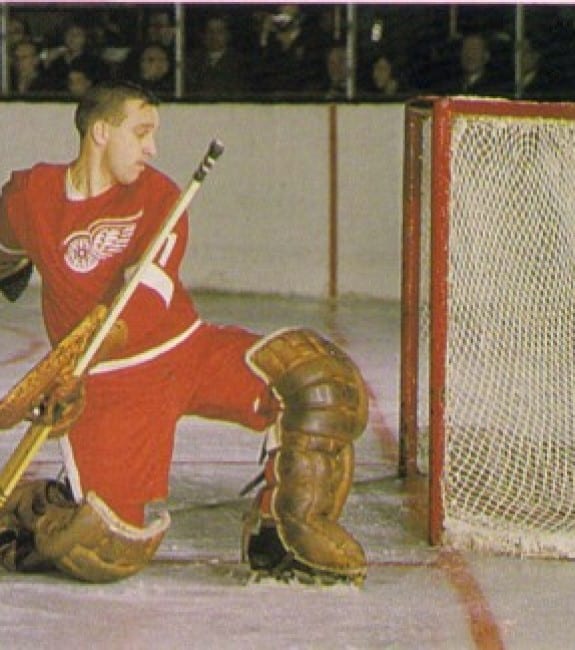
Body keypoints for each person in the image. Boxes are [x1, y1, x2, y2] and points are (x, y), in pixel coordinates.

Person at [0, 81, 368, 584]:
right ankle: (30, 512)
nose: (153, 148)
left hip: (185, 349)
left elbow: (143, 306)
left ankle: (283, 534)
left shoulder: (160, 195)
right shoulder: (32, 196)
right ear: (101, 132)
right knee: (108, 549)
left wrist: (62, 367)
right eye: (142, 132)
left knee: (319, 383)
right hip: (111, 390)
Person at [186, 14, 246, 98]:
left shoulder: (240, 62)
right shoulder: (192, 61)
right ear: (203, 36)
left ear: (228, 35)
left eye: (219, 31)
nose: (214, 36)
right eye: (210, 31)